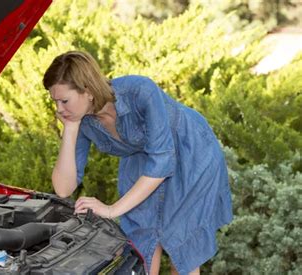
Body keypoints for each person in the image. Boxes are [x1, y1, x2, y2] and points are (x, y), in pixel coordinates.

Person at [42, 51, 233, 274]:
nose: (59, 109)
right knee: (141, 244)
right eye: (55, 101)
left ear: (88, 91)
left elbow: (162, 161)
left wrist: (112, 210)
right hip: (142, 163)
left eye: (64, 101)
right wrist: (71, 128)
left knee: (183, 244)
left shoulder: (140, 91)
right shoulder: (82, 120)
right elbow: (64, 188)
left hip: (190, 154)